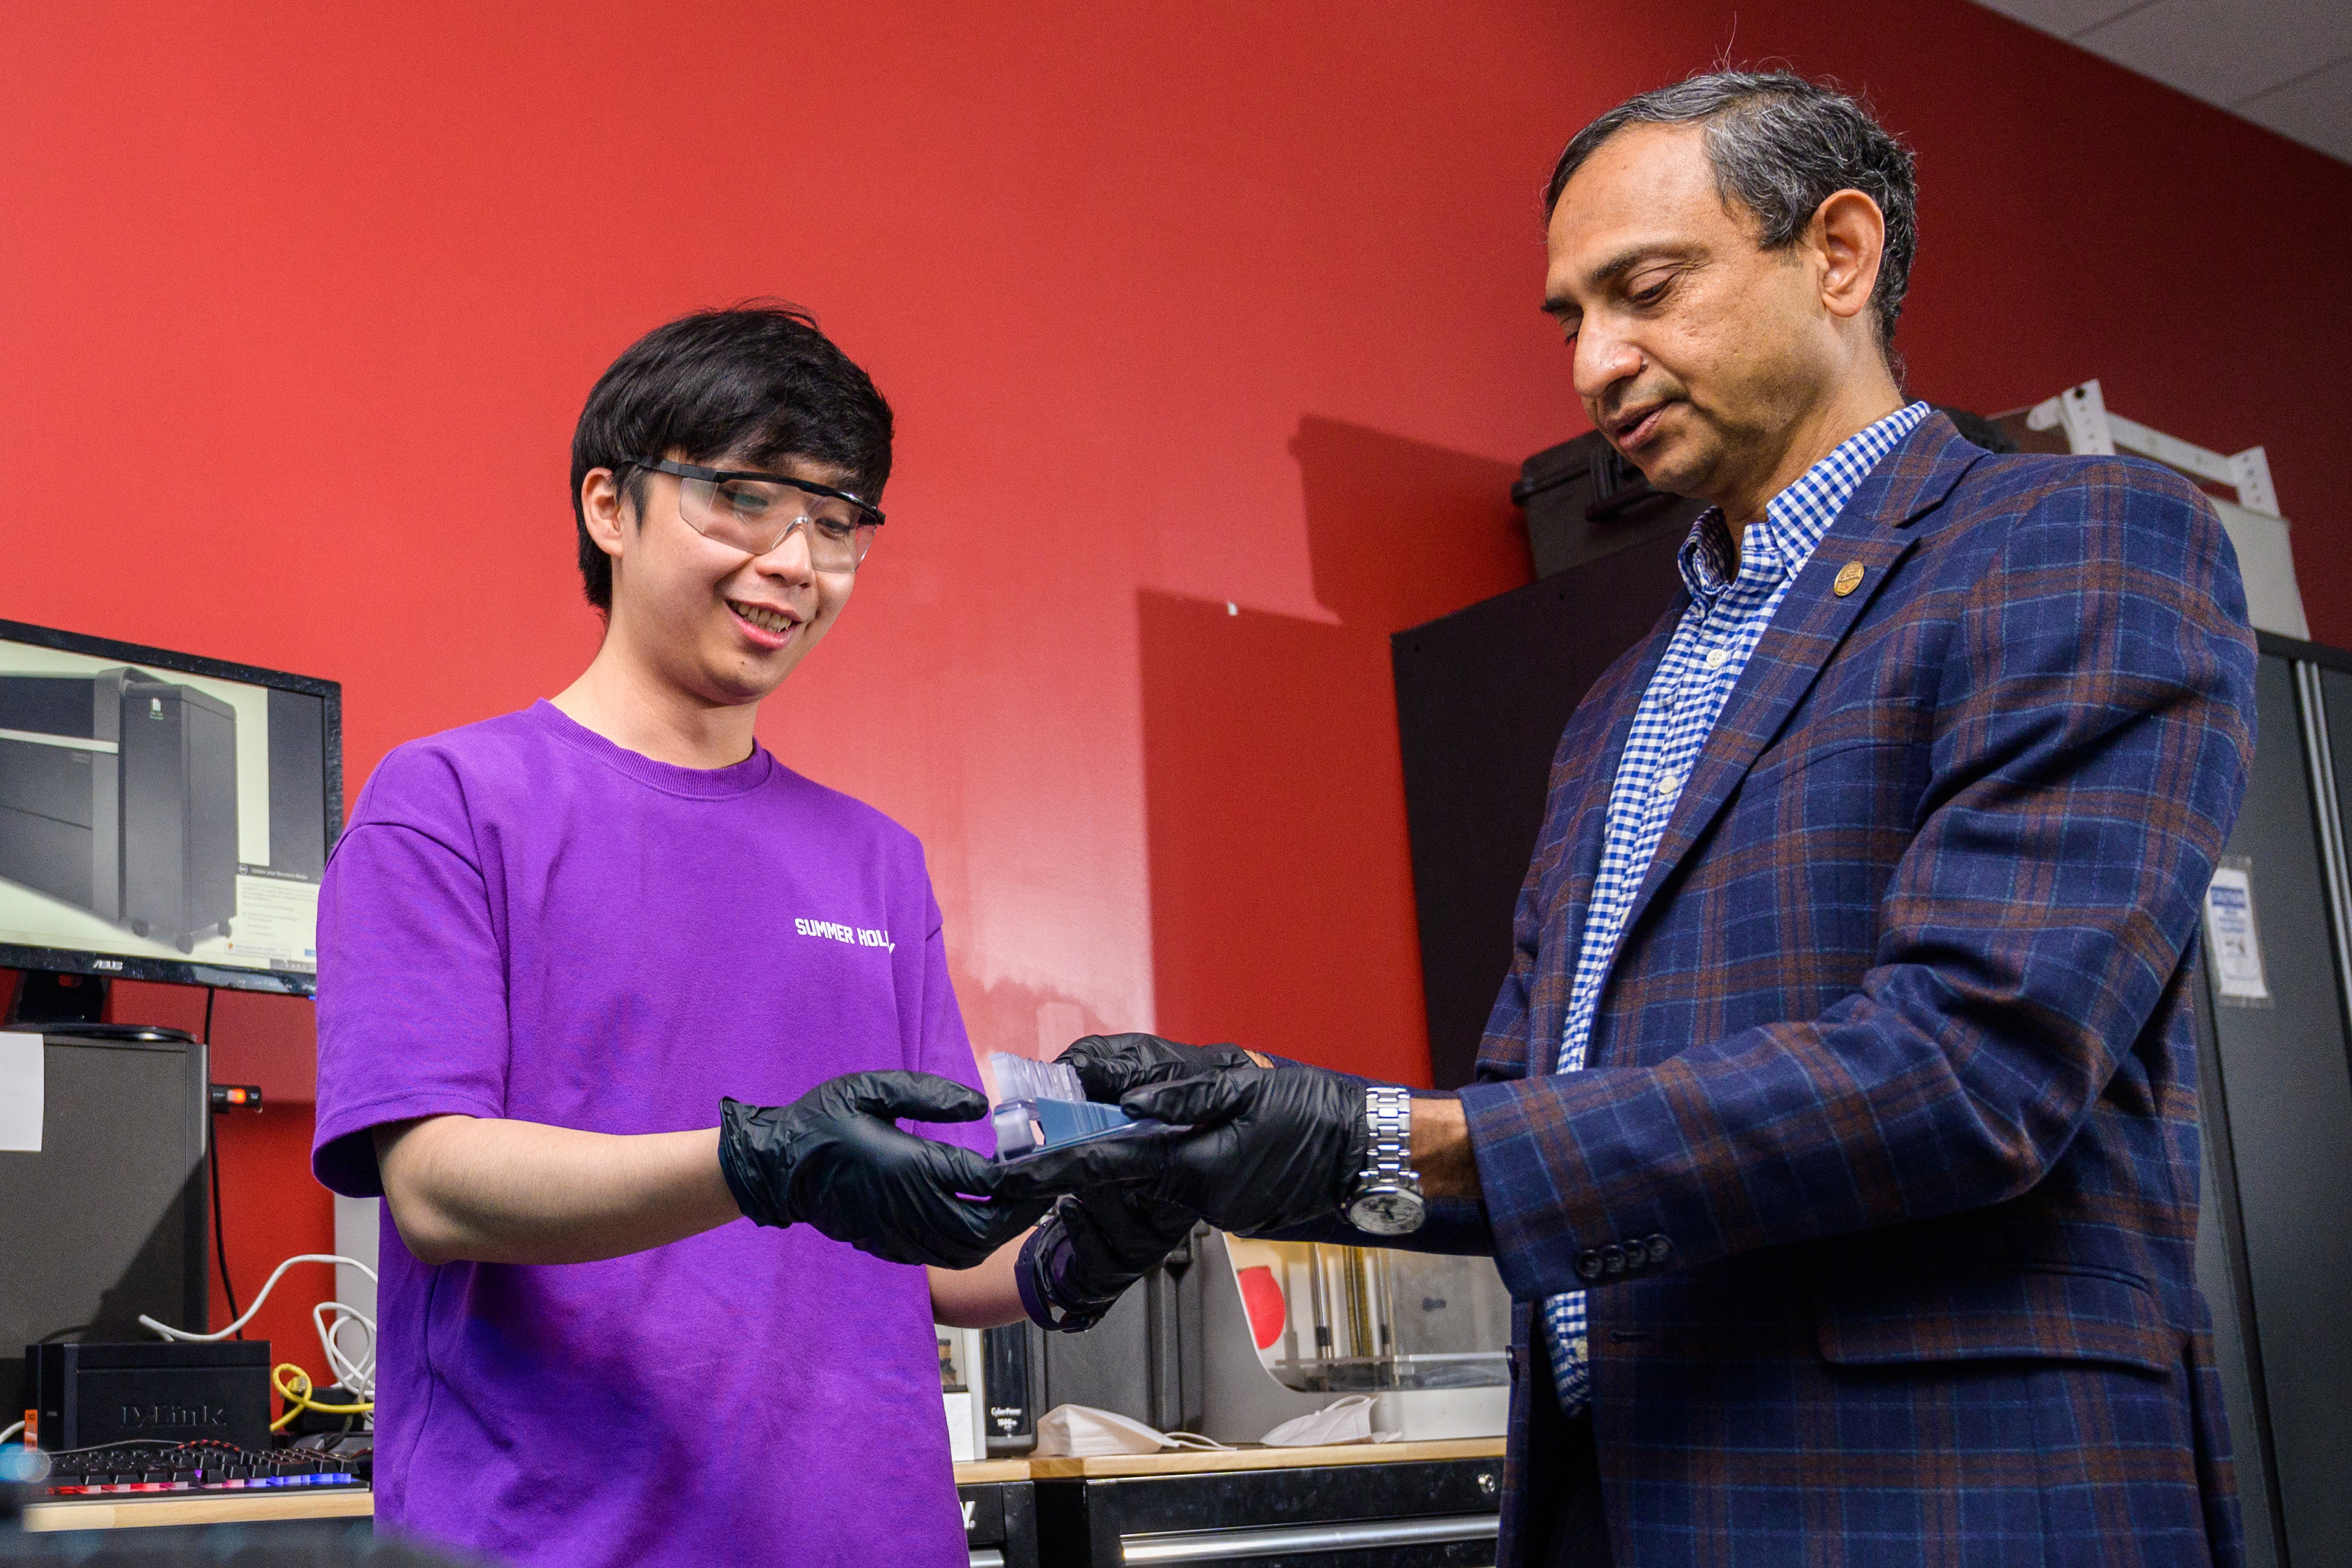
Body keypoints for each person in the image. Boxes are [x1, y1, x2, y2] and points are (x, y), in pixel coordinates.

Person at [1008, 73, 2257, 1568]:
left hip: (1932, 1498)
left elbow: (1972, 1067)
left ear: (1838, 254)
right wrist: (1259, 1139)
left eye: (1645, 292)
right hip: (1616, 1489)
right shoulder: (1615, 707)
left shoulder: (2078, 541)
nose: (1595, 364)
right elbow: (1522, 1131)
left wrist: (1378, 1130)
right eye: (1569, 321)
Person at [309, 306, 1070, 1567]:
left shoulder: (875, 861)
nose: (796, 561)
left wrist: (1107, 1230)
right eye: (744, 499)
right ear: (609, 507)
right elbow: (434, 1185)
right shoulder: (449, 803)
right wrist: (757, 1160)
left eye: (836, 520)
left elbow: (944, 1244)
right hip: (557, 1542)